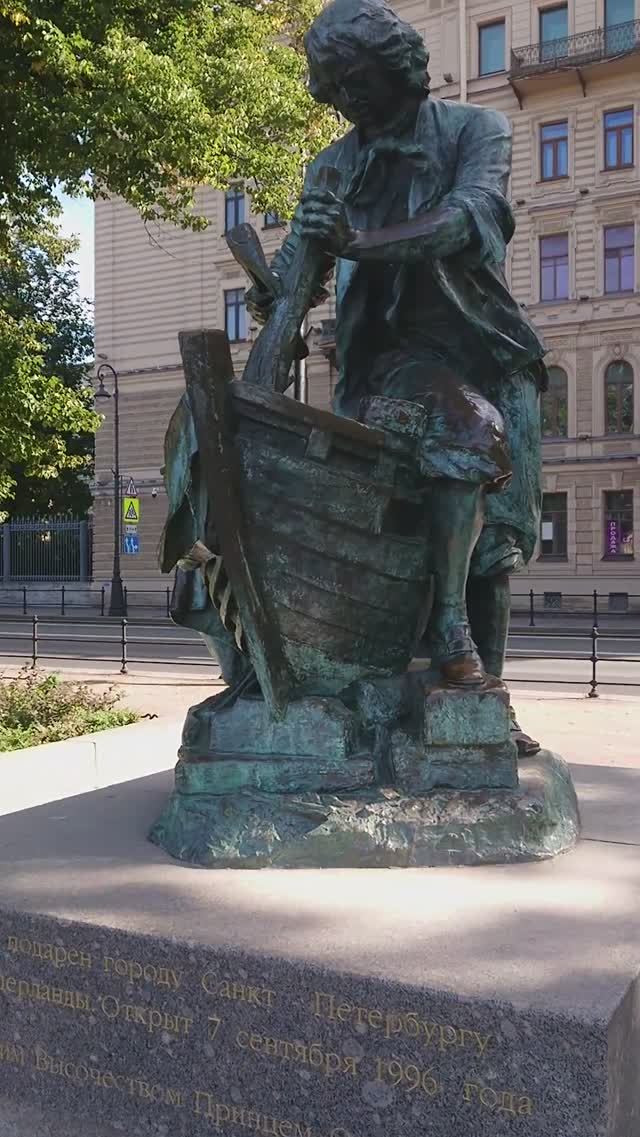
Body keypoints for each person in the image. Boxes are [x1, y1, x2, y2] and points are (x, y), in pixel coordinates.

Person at [247, 0, 546, 740]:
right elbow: (301, 268)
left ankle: (484, 715)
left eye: (354, 78)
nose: (345, 98)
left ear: (398, 65)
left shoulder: (476, 130)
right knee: (461, 436)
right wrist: (274, 288)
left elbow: (468, 219)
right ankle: (447, 634)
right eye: (333, 86)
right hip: (388, 367)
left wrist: (358, 241)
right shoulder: (333, 164)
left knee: (494, 549)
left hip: (489, 354)